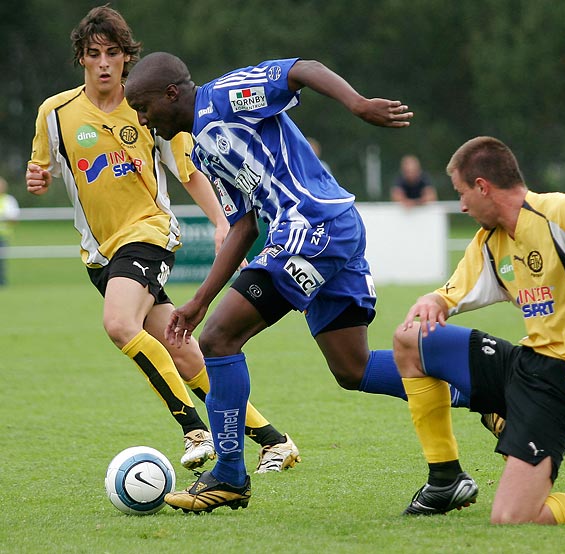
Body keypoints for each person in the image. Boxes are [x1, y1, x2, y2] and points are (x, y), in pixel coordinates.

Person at [124, 50, 438, 514]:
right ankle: (481, 387)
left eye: (145, 108)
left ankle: (229, 474)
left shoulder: (226, 98)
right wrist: (199, 301)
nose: (145, 121)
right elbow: (244, 227)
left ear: (172, 93)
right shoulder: (202, 149)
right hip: (324, 230)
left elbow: (299, 70)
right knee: (352, 368)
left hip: (312, 226)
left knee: (218, 340)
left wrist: (357, 103)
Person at [25, 5, 299, 473]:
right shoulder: (55, 112)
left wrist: (221, 222)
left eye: (114, 53)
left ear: (127, 58)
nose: (105, 62)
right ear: (82, 59)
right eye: (95, 54)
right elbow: (42, 167)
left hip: (150, 232)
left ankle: (193, 428)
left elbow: (189, 172)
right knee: (180, 346)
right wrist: (37, 178)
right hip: (99, 252)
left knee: (118, 324)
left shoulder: (148, 105)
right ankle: (274, 440)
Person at [393, 136, 565, 524]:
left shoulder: (559, 211)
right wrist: (434, 301)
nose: (461, 205)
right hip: (524, 364)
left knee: (512, 518)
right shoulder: (490, 240)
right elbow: (451, 294)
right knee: (410, 340)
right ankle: (446, 476)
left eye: (463, 193)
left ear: (483, 186)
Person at [0, 176, 20, 286]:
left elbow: (14, 218)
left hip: (2, 235)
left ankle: (1, 283)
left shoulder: (8, 200)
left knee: (1, 261)